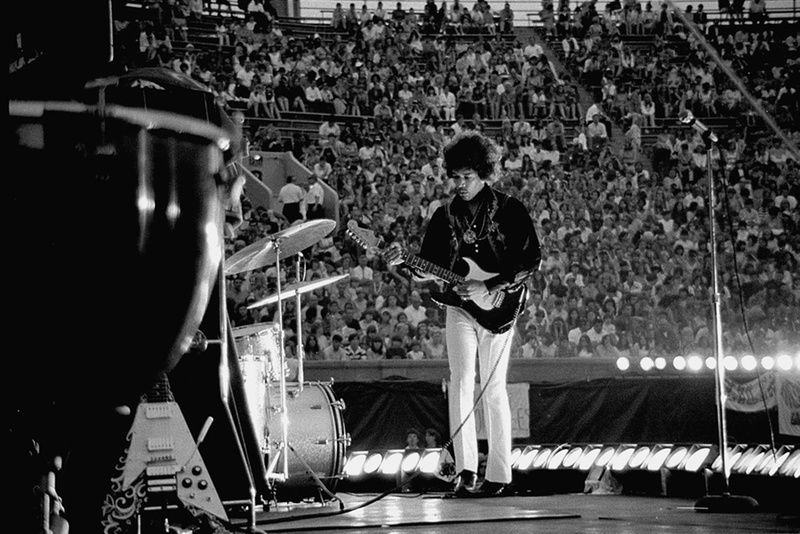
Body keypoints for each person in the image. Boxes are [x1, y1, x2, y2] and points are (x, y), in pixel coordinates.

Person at [386, 131, 542, 498]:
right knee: (459, 384)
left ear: (485, 173)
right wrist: (407, 262)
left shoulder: (509, 209)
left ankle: (499, 476)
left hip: (500, 308)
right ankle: (466, 471)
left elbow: (530, 259)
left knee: (492, 390)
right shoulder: (445, 215)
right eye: (455, 177)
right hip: (459, 309)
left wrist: (490, 286)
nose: (459, 184)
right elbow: (430, 266)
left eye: (467, 177)